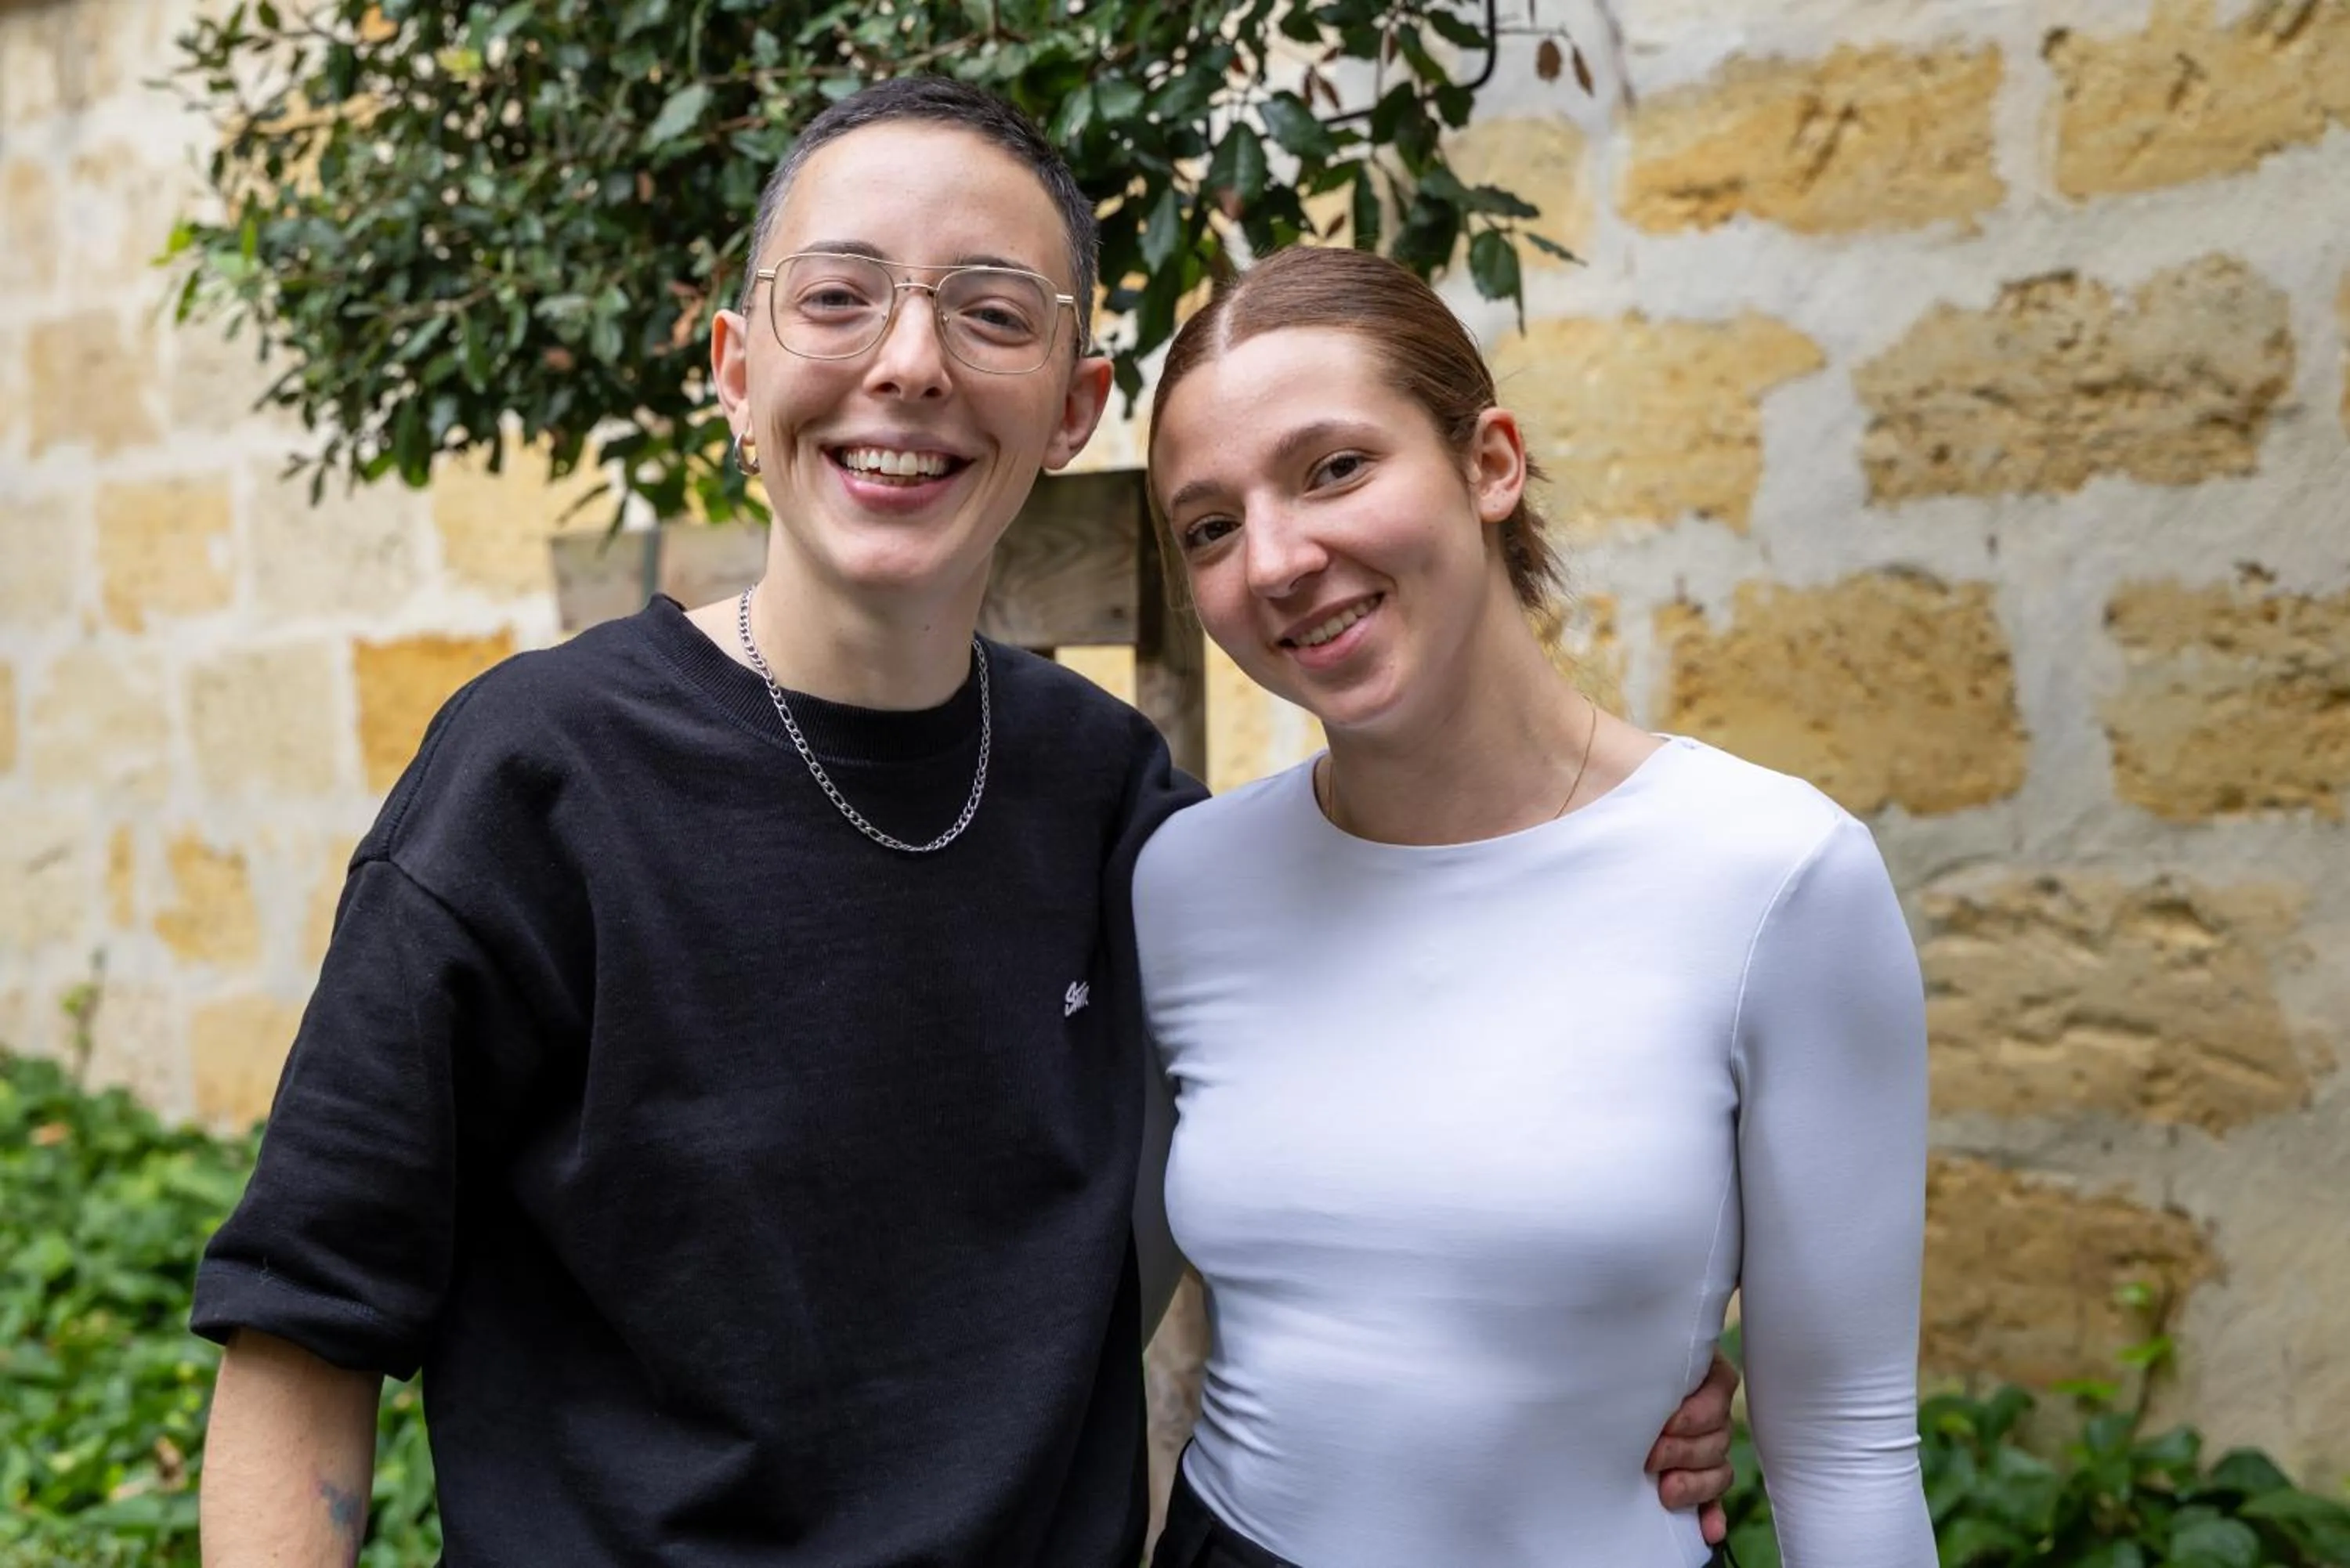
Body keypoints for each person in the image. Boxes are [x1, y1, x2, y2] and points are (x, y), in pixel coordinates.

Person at [190, 79, 1740, 1567]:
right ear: (737, 366)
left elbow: (1366, 1142)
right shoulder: (536, 778)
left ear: (1071, 409)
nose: (911, 362)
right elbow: (303, 1328)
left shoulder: (1117, 801)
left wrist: (1597, 1365)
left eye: (991, 310)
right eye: (839, 297)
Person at [1136, 244, 1936, 1567]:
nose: (1277, 558)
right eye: (1210, 526)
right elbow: (1061, 1321)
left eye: (1335, 466)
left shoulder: (1773, 875)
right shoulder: (1185, 881)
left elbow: (1846, 1440)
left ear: (1490, 463)